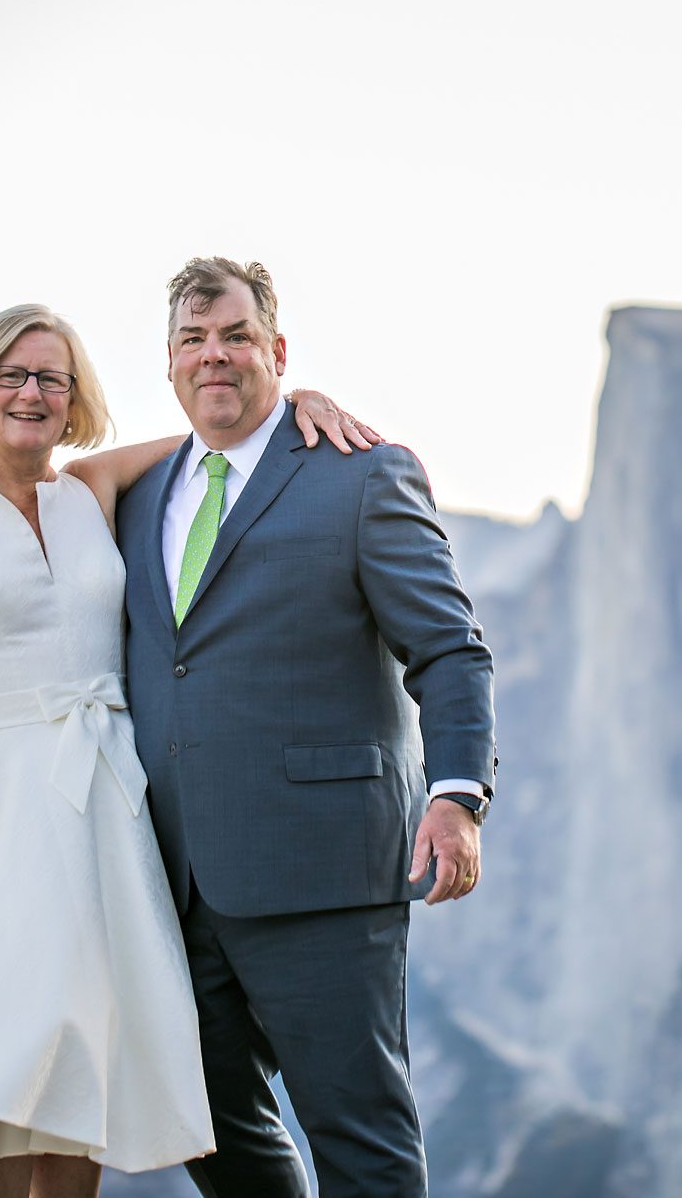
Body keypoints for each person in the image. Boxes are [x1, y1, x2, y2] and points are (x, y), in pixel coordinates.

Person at [0, 302, 378, 1196]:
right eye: (13, 374)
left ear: (77, 397)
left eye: (54, 377)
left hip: (95, 817)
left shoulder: (92, 488)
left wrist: (293, 397)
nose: (33, 393)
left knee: (76, 1074)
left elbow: (222, 428)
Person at [116, 258, 496, 1197]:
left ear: (277, 351)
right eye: (194, 341)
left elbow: (449, 650)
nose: (216, 355)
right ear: (167, 364)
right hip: (170, 885)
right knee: (205, 1131)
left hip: (324, 873)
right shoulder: (132, 499)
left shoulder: (363, 476)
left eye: (237, 336)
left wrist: (458, 795)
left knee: (359, 1144)